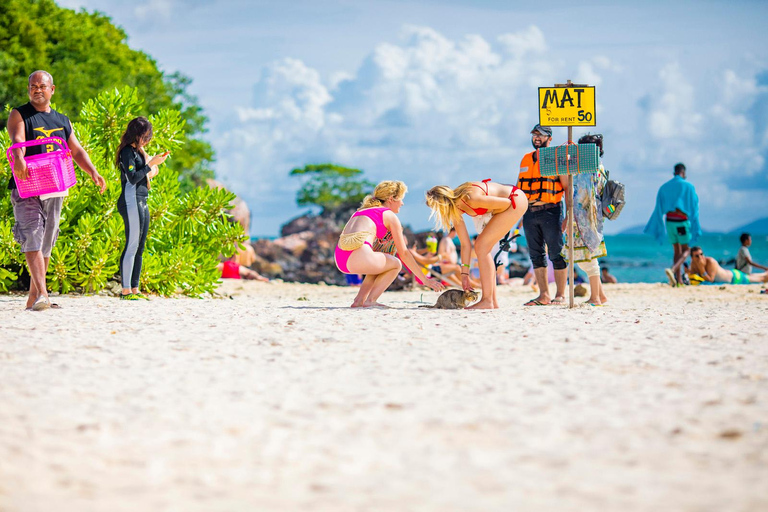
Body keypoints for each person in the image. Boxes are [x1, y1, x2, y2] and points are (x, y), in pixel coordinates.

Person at [7, 70, 107, 311]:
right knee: (32, 233)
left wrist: (92, 171)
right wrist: (18, 157)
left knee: (47, 240)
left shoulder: (62, 120)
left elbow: (77, 150)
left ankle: (34, 297)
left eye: (42, 85)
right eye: (33, 86)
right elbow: (17, 139)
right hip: (27, 185)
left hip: (54, 187)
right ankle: (43, 293)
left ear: (52, 89)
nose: (37, 89)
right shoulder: (20, 114)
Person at [334, 181, 443, 307]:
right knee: (395, 264)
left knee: (381, 262)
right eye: (401, 199)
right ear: (391, 199)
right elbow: (404, 253)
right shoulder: (389, 215)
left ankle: (359, 300)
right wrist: (424, 280)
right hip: (360, 258)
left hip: (341, 260)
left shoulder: (359, 212)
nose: (402, 203)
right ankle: (371, 301)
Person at [425, 179, 528, 309]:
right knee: (482, 247)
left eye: (436, 209)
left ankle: (487, 300)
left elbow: (507, 203)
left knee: (481, 247)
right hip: (507, 205)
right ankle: (492, 301)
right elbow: (465, 244)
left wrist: (486, 217)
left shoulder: (470, 198)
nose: (439, 213)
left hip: (515, 200)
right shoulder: (456, 210)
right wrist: (464, 275)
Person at [115, 117, 170, 300]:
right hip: (130, 200)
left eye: (149, 136)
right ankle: (125, 290)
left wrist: (154, 163)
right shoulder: (127, 152)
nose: (147, 140)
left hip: (141, 199)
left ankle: (135, 288)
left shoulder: (138, 151)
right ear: (136, 134)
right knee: (131, 245)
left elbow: (146, 174)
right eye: (145, 136)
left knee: (140, 246)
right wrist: (151, 164)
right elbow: (132, 177)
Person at [517, 124, 570, 306]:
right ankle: (544, 295)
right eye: (534, 135)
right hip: (529, 213)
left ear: (550, 138)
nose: (537, 138)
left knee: (556, 253)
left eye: (541, 135)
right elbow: (518, 190)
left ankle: (561, 295)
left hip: (551, 210)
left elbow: (567, 187)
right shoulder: (525, 159)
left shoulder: (557, 159)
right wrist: (517, 218)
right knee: (536, 255)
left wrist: (568, 216)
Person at [565, 133, 609, 305]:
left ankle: (596, 297)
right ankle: (601, 295)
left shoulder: (590, 169)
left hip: (585, 217)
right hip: (588, 216)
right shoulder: (597, 167)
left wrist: (570, 216)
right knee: (586, 256)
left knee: (588, 257)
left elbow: (582, 195)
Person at [645, 162, 701, 286]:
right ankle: (673, 269)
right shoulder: (688, 186)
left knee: (676, 250)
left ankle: (678, 280)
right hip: (681, 221)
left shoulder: (664, 187)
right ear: (684, 173)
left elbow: (659, 207)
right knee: (687, 249)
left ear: (674, 172)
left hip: (669, 221)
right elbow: (694, 206)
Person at [688, 246, 768, 284]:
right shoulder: (693, 264)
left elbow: (710, 280)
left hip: (734, 277)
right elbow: (692, 275)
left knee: (762, 278)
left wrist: (702, 269)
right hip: (732, 274)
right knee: (752, 276)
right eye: (697, 256)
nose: (700, 257)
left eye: (701, 254)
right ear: (692, 258)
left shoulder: (710, 262)